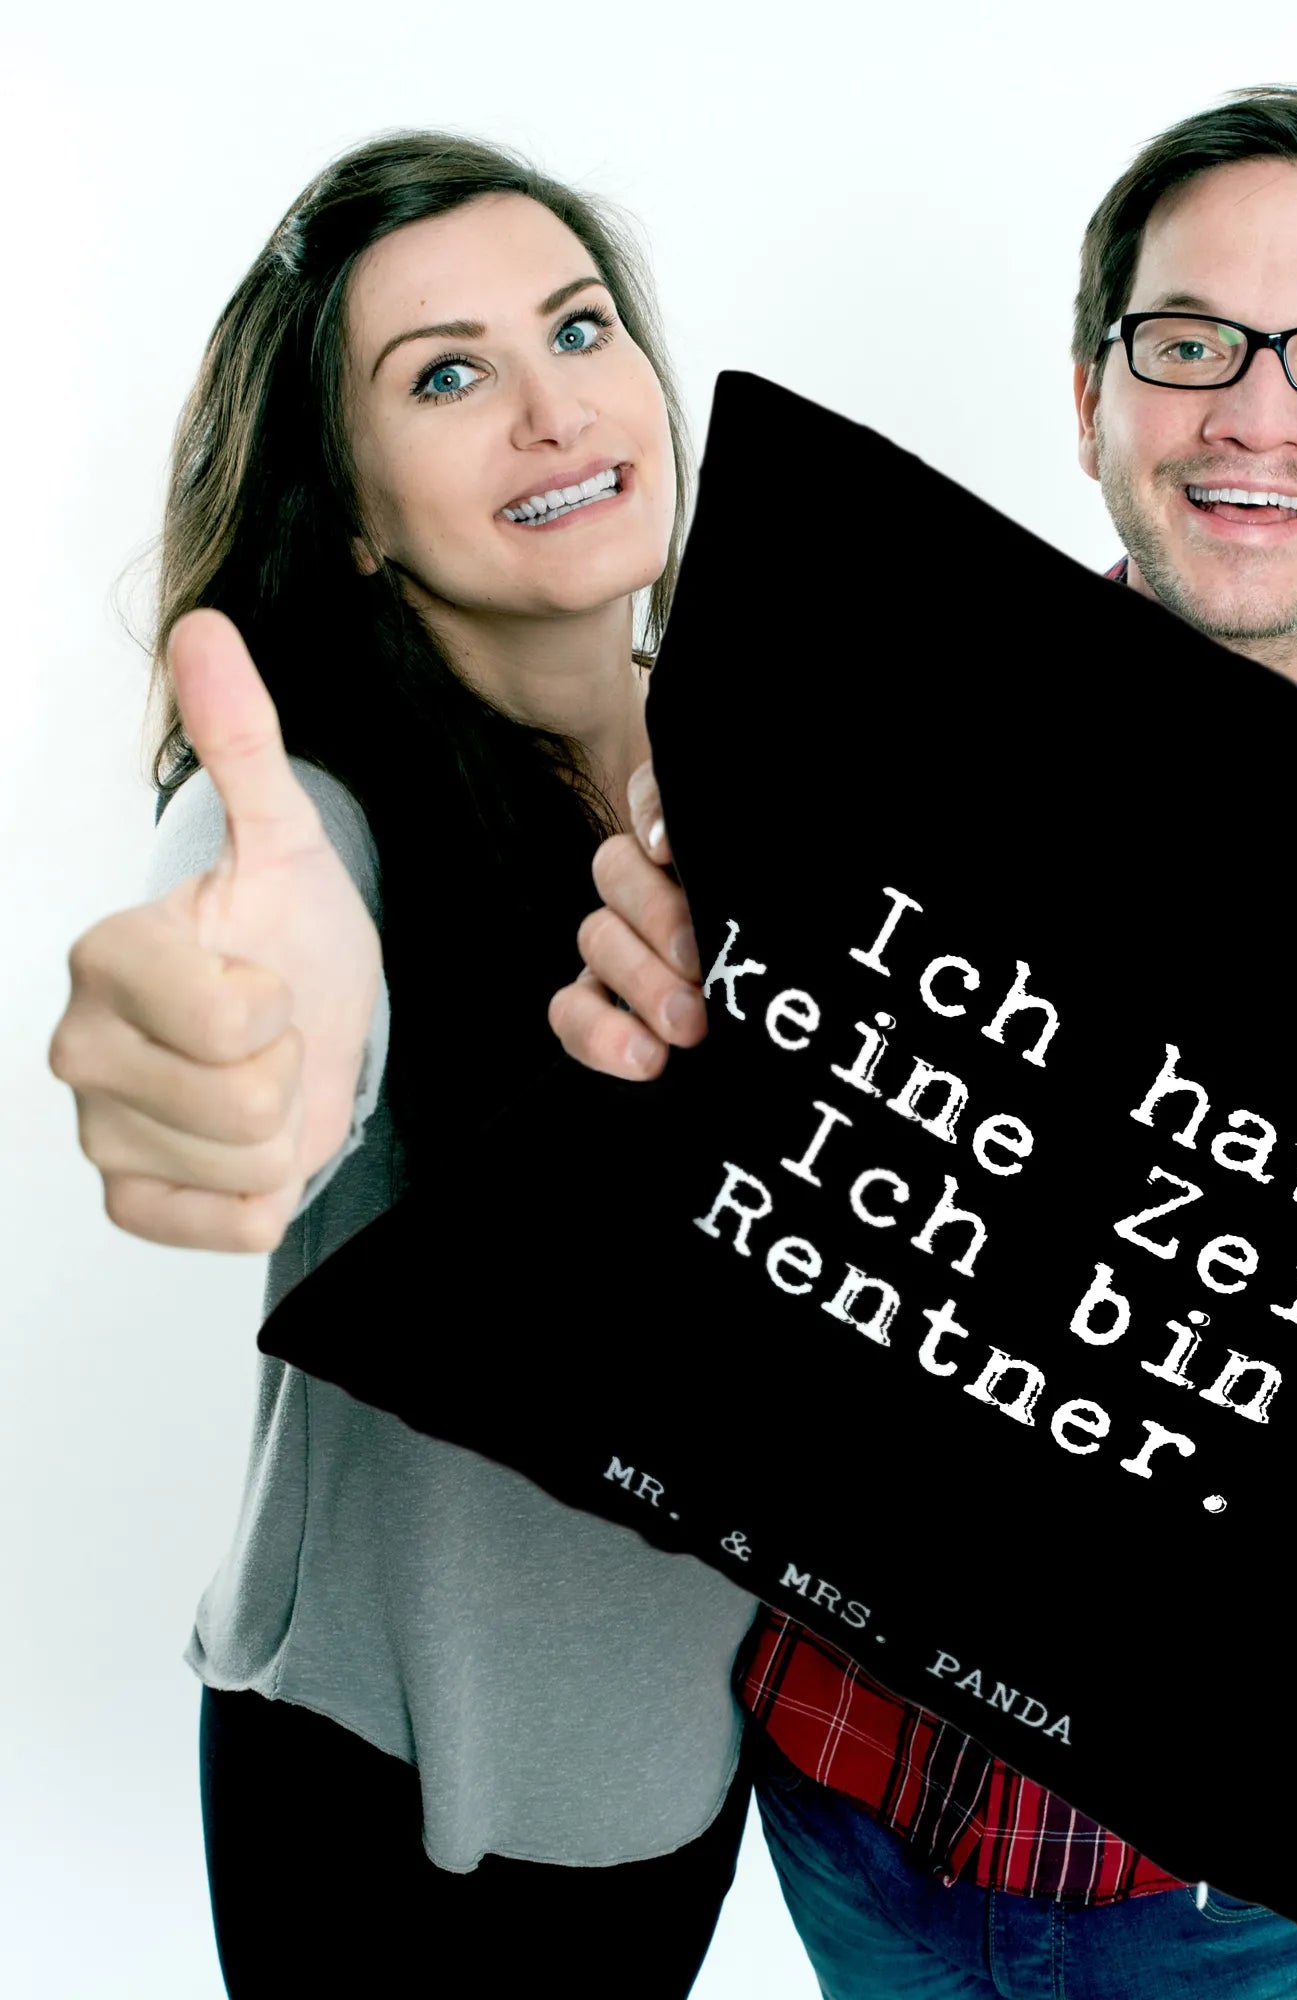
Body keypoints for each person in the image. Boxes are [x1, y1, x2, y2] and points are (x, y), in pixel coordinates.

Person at [554, 86, 1297, 1999]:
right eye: (1190, 344)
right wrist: (647, 1052)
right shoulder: (871, 756)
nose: (1258, 412)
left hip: (1215, 1906)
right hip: (829, 1798)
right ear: (1092, 398)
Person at [45, 134, 751, 1996]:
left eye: (578, 329)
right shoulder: (321, 807)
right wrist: (231, 1031)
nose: (551, 408)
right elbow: (262, 924)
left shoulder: (762, 773)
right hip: (390, 1800)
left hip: (684, 1776)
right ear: (353, 513)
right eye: (445, 376)